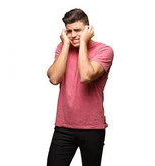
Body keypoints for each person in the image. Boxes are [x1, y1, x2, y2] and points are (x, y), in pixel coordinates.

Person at [46, 8, 114, 166]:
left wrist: (83, 42)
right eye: (69, 31)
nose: (72, 35)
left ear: (88, 29)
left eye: (77, 30)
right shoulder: (62, 48)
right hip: (64, 126)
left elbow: (86, 75)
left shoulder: (104, 51)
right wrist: (65, 46)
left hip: (92, 127)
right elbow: (54, 78)